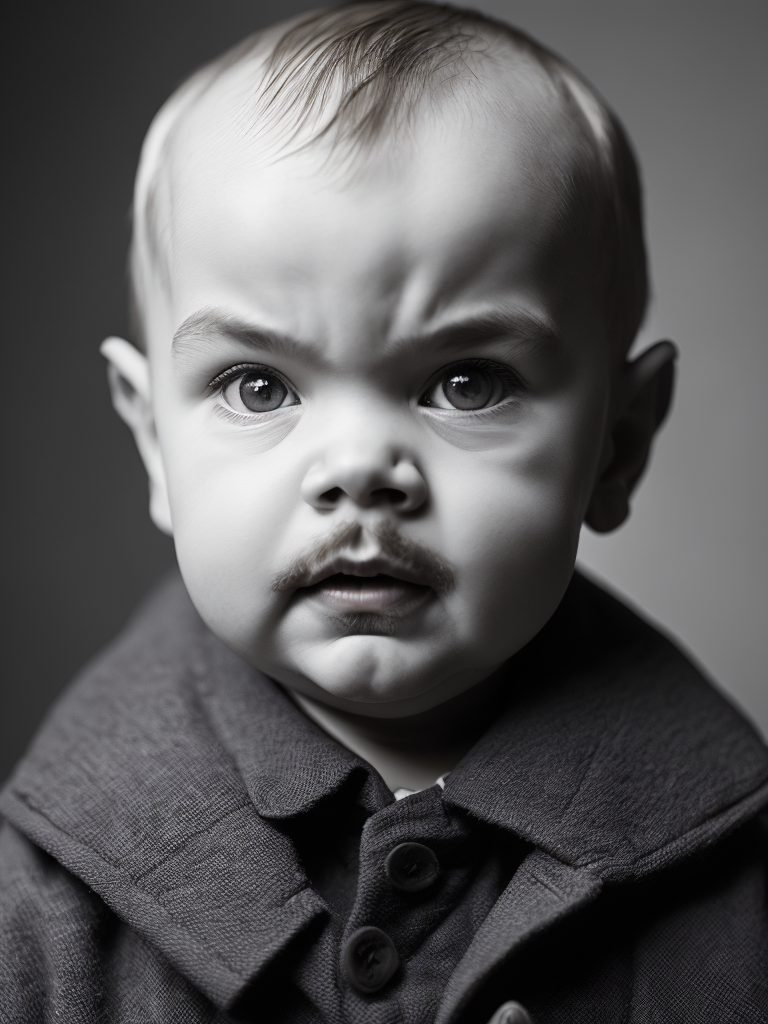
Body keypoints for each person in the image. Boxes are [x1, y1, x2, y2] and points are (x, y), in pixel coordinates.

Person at [2, 3, 766, 1022]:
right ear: (153, 442)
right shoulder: (34, 910)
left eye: (466, 382)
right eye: (260, 386)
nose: (360, 472)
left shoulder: (737, 889)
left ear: (616, 446)